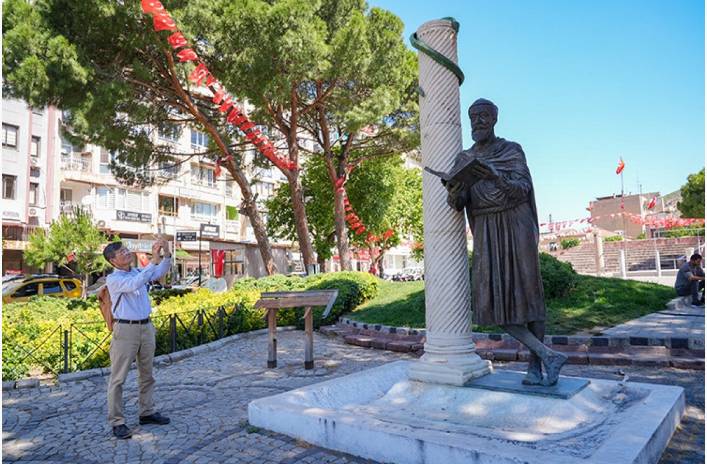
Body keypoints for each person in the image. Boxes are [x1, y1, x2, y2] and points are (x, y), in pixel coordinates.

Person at [445, 98, 567, 386]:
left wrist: (494, 175)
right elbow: (457, 203)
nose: (478, 121)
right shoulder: (464, 159)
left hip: (516, 223)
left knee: (530, 296)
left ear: (495, 119)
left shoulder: (511, 150)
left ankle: (536, 367)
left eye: (484, 116)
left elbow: (522, 189)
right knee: (489, 303)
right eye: (473, 117)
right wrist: (455, 190)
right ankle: (548, 354)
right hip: (486, 227)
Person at [103, 239, 172, 439]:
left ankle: (147, 412)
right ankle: (117, 421)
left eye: (126, 249)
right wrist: (154, 259)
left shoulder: (136, 272)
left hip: (146, 327)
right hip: (126, 330)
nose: (126, 253)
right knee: (118, 378)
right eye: (121, 252)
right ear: (113, 260)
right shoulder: (114, 279)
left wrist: (166, 255)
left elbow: (157, 273)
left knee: (147, 374)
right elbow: (136, 283)